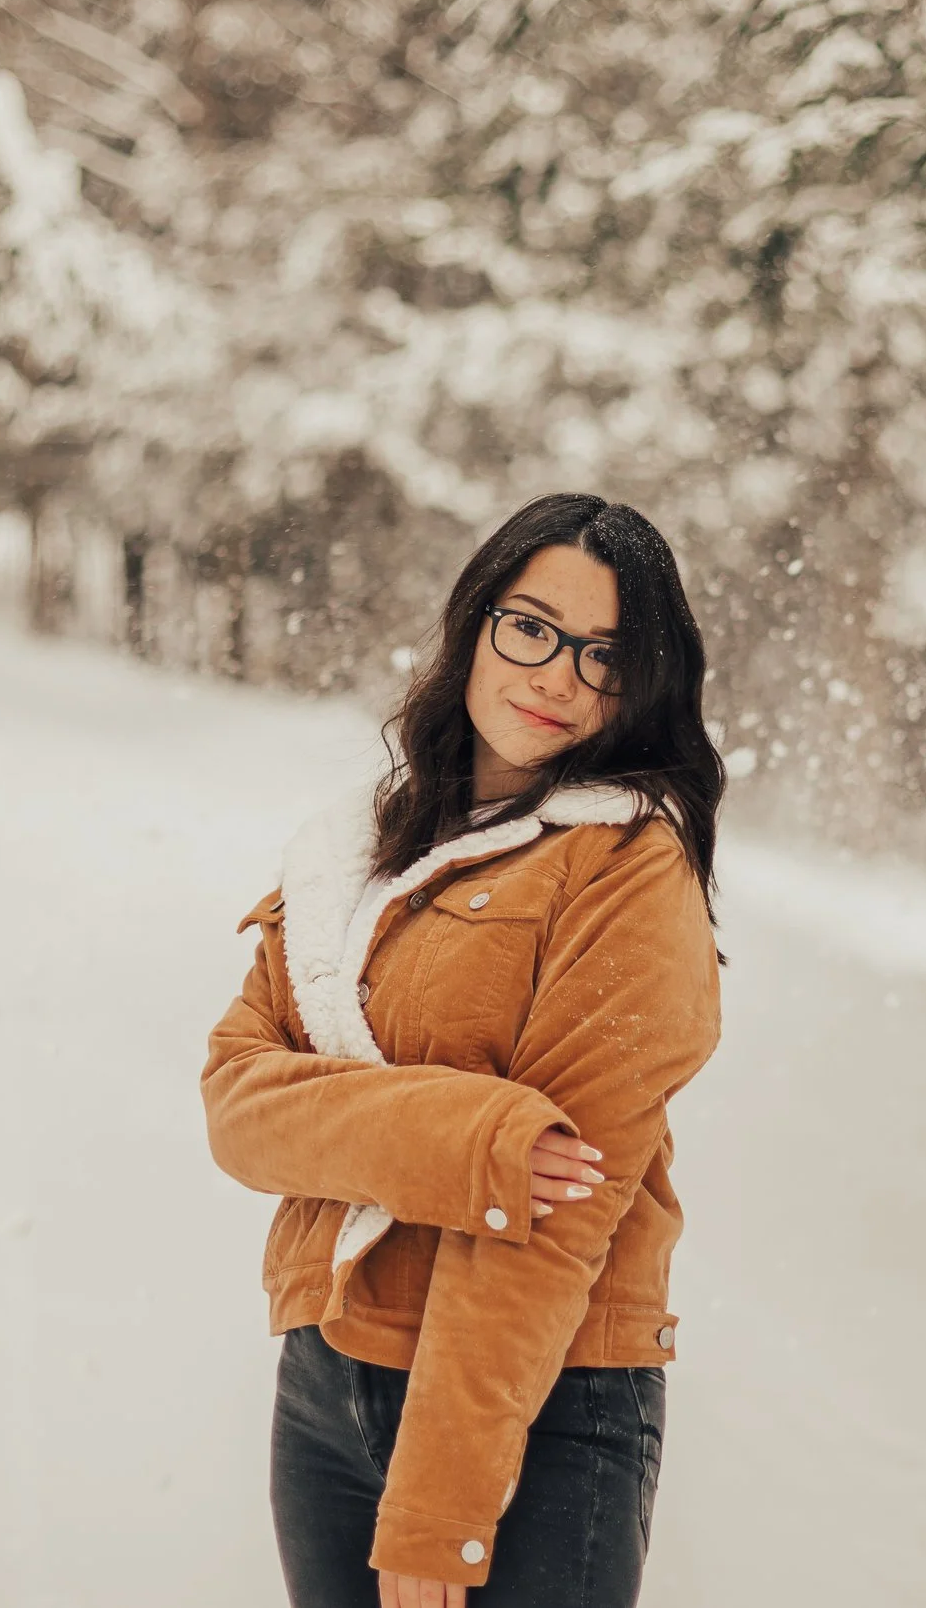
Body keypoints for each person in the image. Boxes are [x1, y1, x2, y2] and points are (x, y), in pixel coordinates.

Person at [203, 492, 726, 1608]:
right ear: (476, 619)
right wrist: (475, 1133)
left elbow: (555, 1219)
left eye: (604, 655)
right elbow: (238, 1106)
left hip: (542, 1407)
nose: (557, 677)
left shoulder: (627, 864)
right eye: (531, 627)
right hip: (329, 1375)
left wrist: (441, 1507)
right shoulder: (355, 847)